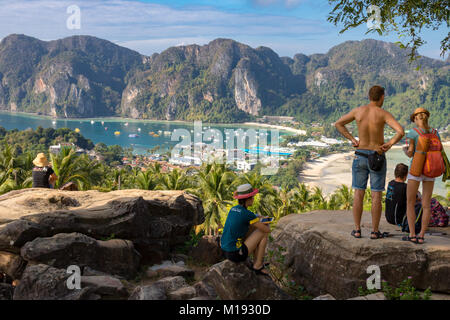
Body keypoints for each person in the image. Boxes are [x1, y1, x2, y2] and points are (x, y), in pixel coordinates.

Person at [335, 85, 405, 239]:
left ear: (369, 97)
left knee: (358, 193)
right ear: (382, 97)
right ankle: (374, 231)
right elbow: (400, 131)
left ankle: (357, 229)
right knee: (376, 195)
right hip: (377, 155)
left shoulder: (358, 111)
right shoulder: (383, 113)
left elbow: (338, 124)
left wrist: (353, 139)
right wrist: (390, 143)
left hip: (360, 154)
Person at [403, 108, 443, 243]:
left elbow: (409, 153)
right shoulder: (435, 132)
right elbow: (440, 150)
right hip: (431, 170)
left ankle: (412, 234)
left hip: (416, 169)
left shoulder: (413, 132)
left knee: (410, 202)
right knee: (426, 204)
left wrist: (405, 150)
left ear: (415, 119)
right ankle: (421, 236)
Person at [220, 184, 271, 275]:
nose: (253, 199)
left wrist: (260, 217)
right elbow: (266, 230)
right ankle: (258, 265)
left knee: (253, 226)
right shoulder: (247, 214)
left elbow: (251, 216)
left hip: (226, 250)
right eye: (252, 197)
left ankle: (257, 261)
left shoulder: (234, 209)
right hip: (236, 254)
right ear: (246, 199)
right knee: (263, 232)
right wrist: (267, 222)